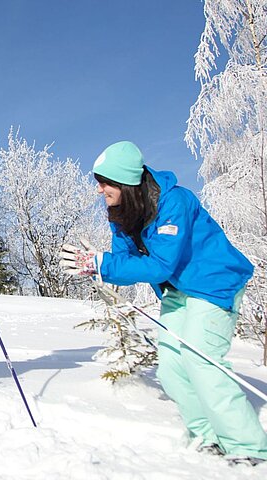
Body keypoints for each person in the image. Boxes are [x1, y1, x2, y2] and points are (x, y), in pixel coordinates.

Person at [60, 140, 267, 465]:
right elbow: (123, 260)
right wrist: (99, 266)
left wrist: (105, 264)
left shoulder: (174, 202)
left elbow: (161, 264)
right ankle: (206, 437)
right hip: (177, 292)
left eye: (104, 182)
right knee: (171, 369)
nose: (99, 189)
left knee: (201, 360)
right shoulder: (121, 213)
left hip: (213, 283)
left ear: (125, 181)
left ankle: (249, 447)